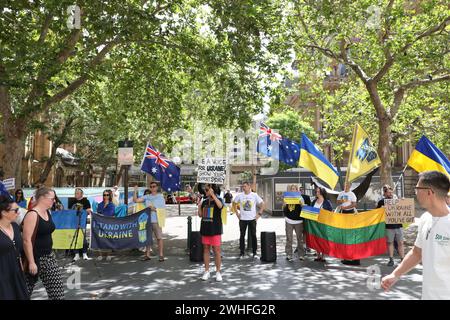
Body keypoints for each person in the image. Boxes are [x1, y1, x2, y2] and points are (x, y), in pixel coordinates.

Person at [381, 171, 450, 299]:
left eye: (417, 188)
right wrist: (395, 274)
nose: (415, 192)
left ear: (429, 192)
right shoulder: (425, 219)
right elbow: (417, 253)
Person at [22, 187, 64, 300]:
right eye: (52, 198)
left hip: (49, 257)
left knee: (58, 293)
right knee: (24, 293)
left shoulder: (47, 212)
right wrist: (31, 262)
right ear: (42, 198)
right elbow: (26, 240)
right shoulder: (32, 214)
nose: (54, 201)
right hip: (35, 258)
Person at [0, 196, 29, 300]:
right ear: (3, 212)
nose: (18, 212)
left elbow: (17, 248)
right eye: (15, 210)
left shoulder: (15, 226)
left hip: (16, 273)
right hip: (2, 274)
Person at [133, 182, 165, 262]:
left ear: (157, 187)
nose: (152, 188)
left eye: (154, 186)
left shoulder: (160, 197)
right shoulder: (147, 196)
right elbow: (135, 200)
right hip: (147, 221)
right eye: (151, 187)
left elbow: (161, 209)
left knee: (159, 238)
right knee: (148, 238)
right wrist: (135, 191)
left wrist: (152, 208)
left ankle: (161, 255)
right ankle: (147, 255)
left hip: (156, 220)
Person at [198, 184, 224, 281]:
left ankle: (218, 272)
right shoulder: (204, 202)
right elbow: (200, 215)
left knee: (217, 251)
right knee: (206, 249)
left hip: (215, 229)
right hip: (205, 228)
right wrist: (199, 206)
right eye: (205, 190)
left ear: (212, 190)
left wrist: (213, 196)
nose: (205, 191)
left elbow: (220, 206)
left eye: (207, 189)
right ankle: (207, 271)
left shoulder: (219, 199)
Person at [233, 181, 265, 259]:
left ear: (249, 186)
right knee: (242, 236)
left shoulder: (254, 195)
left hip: (252, 219)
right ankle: (242, 252)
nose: (244, 188)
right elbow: (233, 203)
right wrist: (237, 214)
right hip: (243, 219)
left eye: (245, 186)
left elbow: (263, 204)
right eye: (243, 186)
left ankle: (254, 252)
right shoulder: (240, 195)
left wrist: (259, 214)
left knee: (253, 235)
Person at [377, 185, 404, 267]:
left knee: (401, 243)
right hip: (389, 226)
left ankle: (402, 259)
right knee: (390, 243)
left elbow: (404, 209)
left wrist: (403, 201)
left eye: (391, 192)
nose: (390, 193)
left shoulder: (397, 200)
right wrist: (382, 209)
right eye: (388, 192)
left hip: (399, 225)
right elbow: (376, 212)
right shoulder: (381, 202)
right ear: (384, 193)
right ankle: (391, 259)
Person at [337, 182, 360, 265]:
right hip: (343, 213)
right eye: (345, 185)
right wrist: (341, 201)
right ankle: (346, 257)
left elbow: (354, 204)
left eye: (347, 185)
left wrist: (346, 207)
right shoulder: (341, 193)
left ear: (350, 186)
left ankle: (355, 257)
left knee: (351, 234)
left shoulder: (352, 194)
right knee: (344, 235)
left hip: (350, 213)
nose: (346, 186)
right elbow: (337, 202)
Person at [283, 185, 306, 262]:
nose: (293, 190)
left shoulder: (300, 197)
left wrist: (301, 203)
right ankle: (289, 254)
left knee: (300, 239)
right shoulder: (287, 197)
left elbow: (303, 207)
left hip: (298, 221)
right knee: (289, 238)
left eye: (294, 189)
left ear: (297, 190)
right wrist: (284, 204)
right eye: (291, 189)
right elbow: (283, 207)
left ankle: (301, 254)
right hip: (289, 220)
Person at [70, 188, 92, 262]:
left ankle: (84, 253)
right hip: (74, 222)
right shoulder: (72, 201)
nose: (76, 194)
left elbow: (89, 211)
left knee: (83, 237)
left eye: (77, 193)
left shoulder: (86, 201)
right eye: (75, 193)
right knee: (74, 236)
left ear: (81, 194)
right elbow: (69, 211)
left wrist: (82, 210)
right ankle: (76, 254)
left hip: (82, 222)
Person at [311, 187, 333, 262]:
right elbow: (310, 211)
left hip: (323, 224)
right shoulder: (314, 201)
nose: (317, 193)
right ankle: (318, 255)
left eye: (318, 192)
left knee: (323, 239)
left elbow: (331, 213)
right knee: (316, 239)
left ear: (322, 192)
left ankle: (323, 256)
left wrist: (324, 212)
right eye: (316, 192)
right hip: (315, 223)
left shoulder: (327, 202)